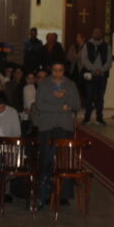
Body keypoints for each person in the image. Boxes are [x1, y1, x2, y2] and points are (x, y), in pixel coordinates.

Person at [33, 61, 81, 206]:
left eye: (60, 70)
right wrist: (60, 107)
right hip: (47, 126)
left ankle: (63, 194)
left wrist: (67, 103)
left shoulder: (70, 85)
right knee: (46, 160)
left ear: (64, 70)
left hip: (64, 126)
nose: (57, 73)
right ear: (51, 70)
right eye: (55, 70)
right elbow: (39, 105)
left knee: (64, 160)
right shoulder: (44, 84)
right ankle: (45, 193)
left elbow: (77, 104)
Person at [80, 27, 111, 125]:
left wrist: (101, 70)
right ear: (92, 34)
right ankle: (87, 117)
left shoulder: (106, 46)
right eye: (95, 32)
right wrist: (94, 69)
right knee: (89, 96)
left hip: (102, 75)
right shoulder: (87, 45)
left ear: (101, 34)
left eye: (98, 32)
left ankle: (99, 117)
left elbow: (109, 60)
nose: (97, 34)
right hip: (90, 74)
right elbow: (84, 59)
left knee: (100, 97)